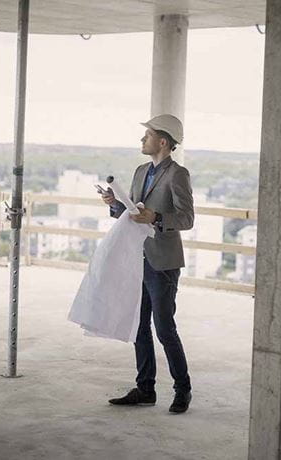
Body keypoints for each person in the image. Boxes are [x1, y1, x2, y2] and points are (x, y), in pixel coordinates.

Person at [101, 114, 194, 414]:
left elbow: (187, 218)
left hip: (163, 261)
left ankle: (183, 390)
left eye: (148, 135)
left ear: (163, 142)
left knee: (164, 328)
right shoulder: (141, 171)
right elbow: (134, 213)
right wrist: (115, 204)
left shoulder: (178, 175)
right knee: (139, 325)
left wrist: (156, 218)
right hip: (138, 257)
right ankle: (146, 389)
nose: (143, 140)